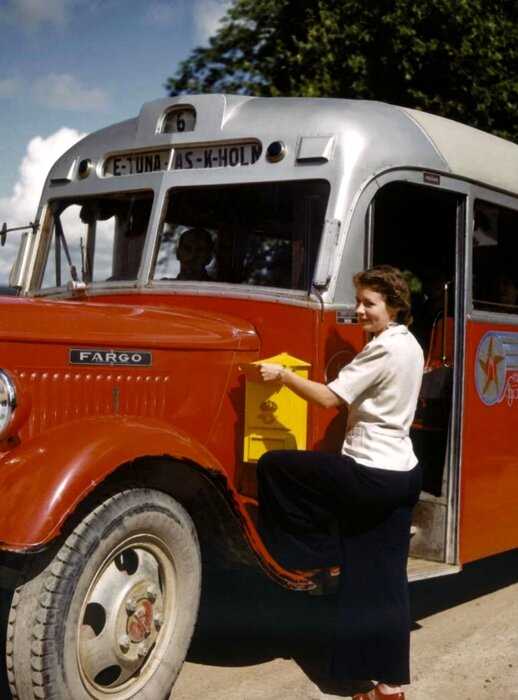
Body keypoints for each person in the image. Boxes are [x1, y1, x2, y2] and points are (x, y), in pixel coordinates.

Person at [256, 265, 424, 700]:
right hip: (402, 472)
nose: (360, 310)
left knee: (276, 467)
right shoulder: (410, 345)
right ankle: (387, 686)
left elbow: (331, 398)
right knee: (385, 579)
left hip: (371, 473)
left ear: (394, 307)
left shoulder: (383, 349)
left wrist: (284, 377)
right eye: (360, 302)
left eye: (370, 303)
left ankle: (312, 557)